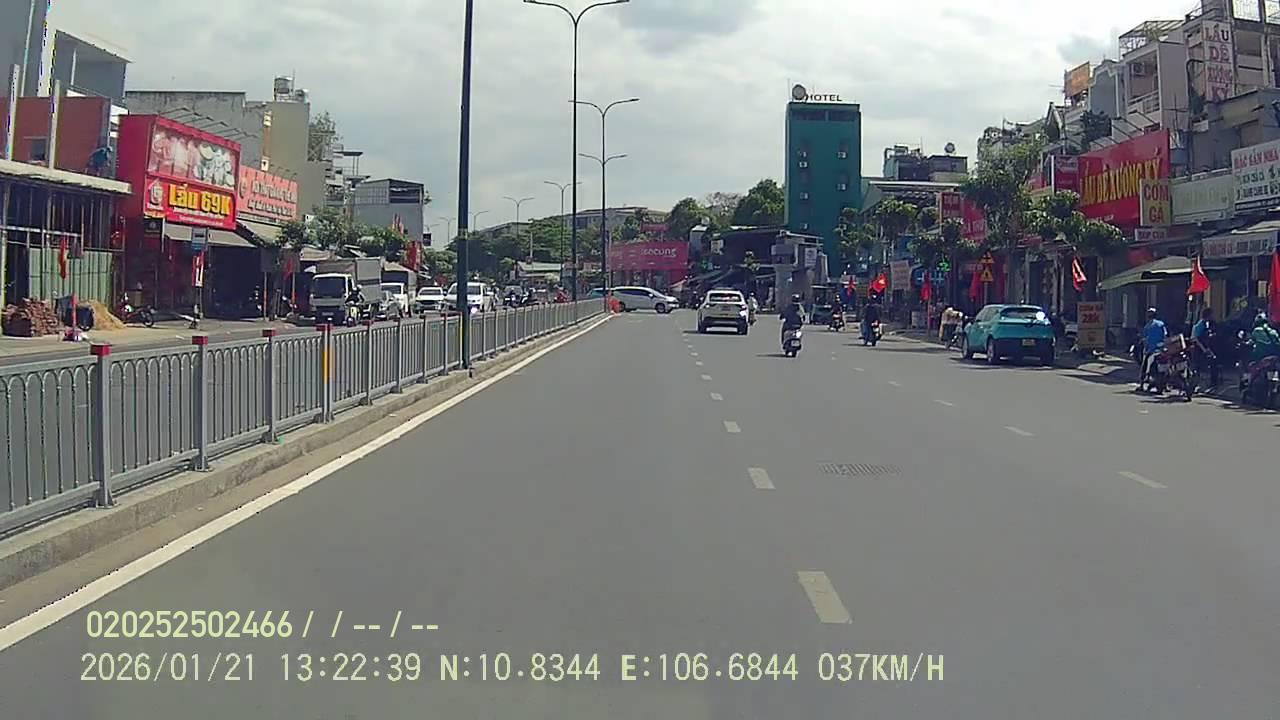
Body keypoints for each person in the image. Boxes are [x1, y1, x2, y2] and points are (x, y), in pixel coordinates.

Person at [1191, 307, 1219, 389]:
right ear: (1208, 315)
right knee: (1199, 366)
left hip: (1205, 348)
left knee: (1213, 361)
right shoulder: (1200, 324)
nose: (1213, 316)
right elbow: (1196, 338)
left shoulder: (1207, 324)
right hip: (1199, 349)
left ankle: (1214, 382)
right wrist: (1204, 349)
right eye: (1212, 314)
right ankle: (1197, 383)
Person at [1139, 307, 1168, 387]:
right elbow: (1165, 336)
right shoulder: (1161, 324)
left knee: (1144, 366)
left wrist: (1146, 348)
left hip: (1151, 350)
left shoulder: (1147, 326)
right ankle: (1165, 385)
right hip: (1161, 349)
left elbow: (1145, 339)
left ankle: (1142, 384)